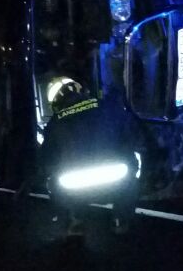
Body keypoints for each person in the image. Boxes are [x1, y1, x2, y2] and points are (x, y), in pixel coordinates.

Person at [38, 79, 145, 239]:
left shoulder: (55, 123)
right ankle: (120, 220)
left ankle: (76, 220)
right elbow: (135, 137)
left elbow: (46, 161)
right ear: (80, 90)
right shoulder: (109, 107)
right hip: (116, 183)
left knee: (53, 183)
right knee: (132, 175)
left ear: (56, 102)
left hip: (75, 190)